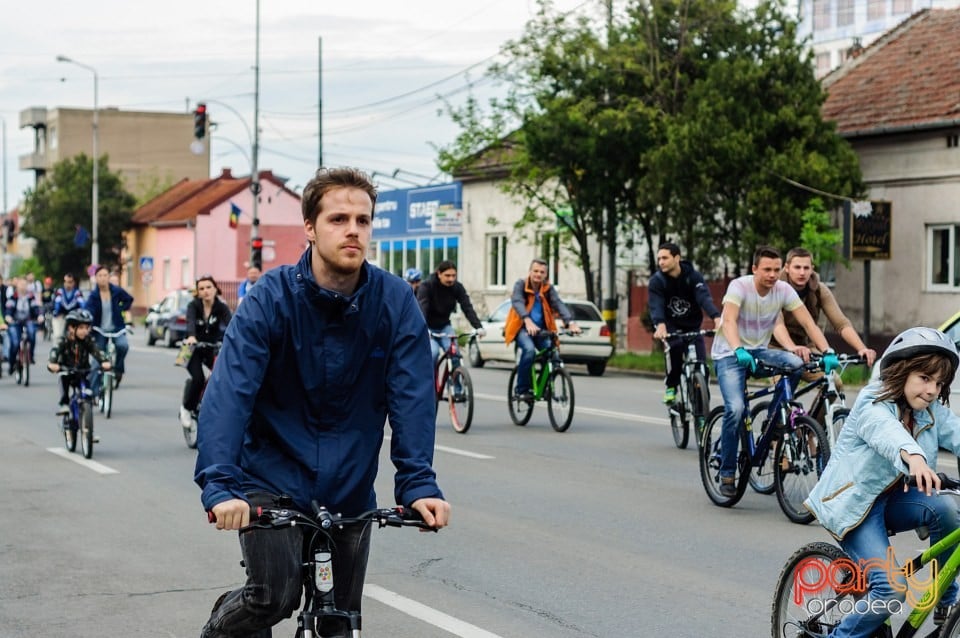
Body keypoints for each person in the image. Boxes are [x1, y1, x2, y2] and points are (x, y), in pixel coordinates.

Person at [194, 167, 450, 638]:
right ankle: (221, 629)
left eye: (363, 220)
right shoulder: (269, 300)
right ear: (309, 228)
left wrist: (418, 485)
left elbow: (412, 398)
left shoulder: (394, 302)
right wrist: (221, 487)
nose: (353, 230)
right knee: (274, 594)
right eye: (338, 219)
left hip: (349, 487)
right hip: (269, 478)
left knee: (339, 623)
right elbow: (230, 396)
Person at [805, 327, 960, 635]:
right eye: (924, 378)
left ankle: (945, 599)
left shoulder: (930, 410)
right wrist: (913, 457)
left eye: (939, 382)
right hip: (855, 506)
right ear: (901, 371)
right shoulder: (872, 401)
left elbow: (957, 432)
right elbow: (886, 432)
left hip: (895, 499)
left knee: (946, 507)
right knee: (891, 590)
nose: (931, 390)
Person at [712, 245, 838, 498]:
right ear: (754, 269)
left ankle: (775, 419)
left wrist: (827, 351)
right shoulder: (739, 286)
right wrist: (738, 349)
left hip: (758, 350)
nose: (772, 275)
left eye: (776, 270)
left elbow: (807, 323)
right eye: (766, 269)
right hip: (729, 354)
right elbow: (728, 321)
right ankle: (727, 471)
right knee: (736, 409)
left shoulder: (782, 290)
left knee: (795, 363)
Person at [771, 245, 877, 376]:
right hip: (776, 347)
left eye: (806, 268)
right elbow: (777, 325)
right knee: (783, 388)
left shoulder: (819, 290)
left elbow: (841, 324)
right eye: (797, 267)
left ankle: (823, 397)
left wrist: (862, 348)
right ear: (787, 268)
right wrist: (792, 348)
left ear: (812, 269)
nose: (802, 272)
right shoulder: (774, 289)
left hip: (806, 348)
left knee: (833, 383)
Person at [648, 241, 722, 404]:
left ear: (677, 258)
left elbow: (704, 297)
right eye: (659, 258)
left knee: (702, 366)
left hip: (692, 327)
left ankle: (702, 410)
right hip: (670, 327)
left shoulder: (693, 276)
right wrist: (660, 324)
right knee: (675, 348)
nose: (661, 262)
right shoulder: (657, 281)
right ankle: (671, 387)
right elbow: (656, 304)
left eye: (665, 258)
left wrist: (717, 318)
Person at [504, 258, 581, 401]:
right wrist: (527, 320)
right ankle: (522, 390)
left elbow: (559, 304)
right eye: (536, 271)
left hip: (541, 331)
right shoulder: (520, 285)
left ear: (546, 275)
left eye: (542, 272)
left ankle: (542, 386)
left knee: (553, 355)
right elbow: (517, 302)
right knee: (529, 351)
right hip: (522, 328)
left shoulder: (548, 289)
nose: (538, 274)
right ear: (530, 272)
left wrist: (570, 322)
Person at [179, 276, 232, 429]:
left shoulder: (221, 307)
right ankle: (186, 409)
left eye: (208, 287)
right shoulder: (193, 306)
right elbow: (190, 321)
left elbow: (232, 324)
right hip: (191, 348)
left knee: (222, 376)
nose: (205, 291)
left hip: (211, 347)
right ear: (198, 292)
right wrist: (191, 336)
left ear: (215, 289)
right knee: (198, 378)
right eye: (201, 289)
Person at [416, 260, 485, 366]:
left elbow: (467, 307)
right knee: (433, 353)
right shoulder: (427, 286)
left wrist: (478, 327)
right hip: (428, 328)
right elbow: (422, 308)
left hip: (444, 326)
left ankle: (458, 381)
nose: (451, 279)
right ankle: (430, 382)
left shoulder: (457, 287)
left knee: (455, 354)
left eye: (454, 275)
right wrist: (423, 328)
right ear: (439, 274)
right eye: (447, 275)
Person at [47, 309, 111, 415]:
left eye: (87, 328)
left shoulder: (88, 340)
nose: (85, 331)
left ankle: (87, 409)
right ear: (71, 328)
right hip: (67, 371)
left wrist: (104, 360)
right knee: (63, 379)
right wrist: (53, 362)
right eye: (81, 328)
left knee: (88, 390)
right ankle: (65, 404)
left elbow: (96, 351)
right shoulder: (64, 340)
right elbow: (55, 350)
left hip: (83, 371)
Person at [84, 265, 134, 390]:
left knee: (123, 346)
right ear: (96, 278)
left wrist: (121, 308)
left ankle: (118, 370)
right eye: (100, 276)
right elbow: (88, 310)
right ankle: (92, 392)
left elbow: (129, 299)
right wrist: (89, 324)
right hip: (99, 330)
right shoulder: (93, 296)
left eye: (105, 275)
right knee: (97, 361)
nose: (103, 278)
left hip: (117, 329)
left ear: (108, 277)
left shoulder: (116, 291)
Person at [4, 278, 43, 374]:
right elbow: (9, 309)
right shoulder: (13, 297)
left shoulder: (31, 297)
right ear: (17, 286)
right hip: (15, 322)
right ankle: (12, 363)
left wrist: (39, 316)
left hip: (28, 321)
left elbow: (36, 308)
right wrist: (8, 317)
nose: (23, 286)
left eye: (25, 284)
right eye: (21, 284)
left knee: (32, 333)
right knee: (15, 343)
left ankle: (31, 356)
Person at [52, 273, 85, 342]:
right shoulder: (60, 291)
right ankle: (57, 350)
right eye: (66, 282)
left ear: (73, 283)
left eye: (70, 282)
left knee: (78, 335)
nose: (68, 284)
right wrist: (56, 311)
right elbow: (57, 303)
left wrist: (83, 312)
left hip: (74, 316)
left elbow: (82, 304)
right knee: (58, 335)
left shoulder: (77, 292)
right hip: (61, 315)